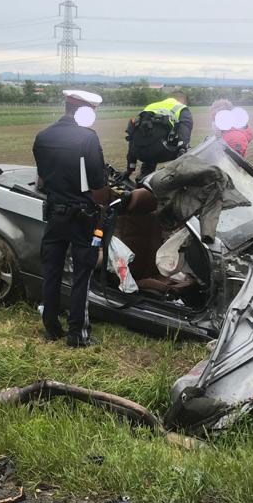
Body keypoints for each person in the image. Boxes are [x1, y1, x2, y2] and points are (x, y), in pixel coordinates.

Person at [33, 89, 108, 347]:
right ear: (85, 112)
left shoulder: (43, 137)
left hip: (54, 214)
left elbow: (41, 180)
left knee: (51, 271)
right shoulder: (87, 138)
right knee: (81, 274)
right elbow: (98, 183)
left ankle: (51, 328)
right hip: (81, 217)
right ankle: (77, 334)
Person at [125, 90, 193, 179]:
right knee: (191, 151)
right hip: (159, 151)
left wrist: (129, 169)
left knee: (151, 142)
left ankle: (144, 177)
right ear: (183, 101)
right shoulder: (181, 108)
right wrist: (183, 149)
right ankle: (177, 181)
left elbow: (135, 133)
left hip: (138, 152)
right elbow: (185, 131)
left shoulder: (151, 106)